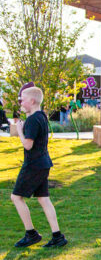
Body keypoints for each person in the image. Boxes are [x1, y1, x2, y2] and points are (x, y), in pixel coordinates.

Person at [11, 86, 68, 248]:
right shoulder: (41, 116)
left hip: (34, 165)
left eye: (22, 99)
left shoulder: (32, 120)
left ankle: (31, 234)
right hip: (43, 163)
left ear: (32, 101)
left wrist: (19, 130)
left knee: (16, 197)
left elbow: (28, 145)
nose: (20, 102)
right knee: (44, 199)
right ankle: (57, 236)